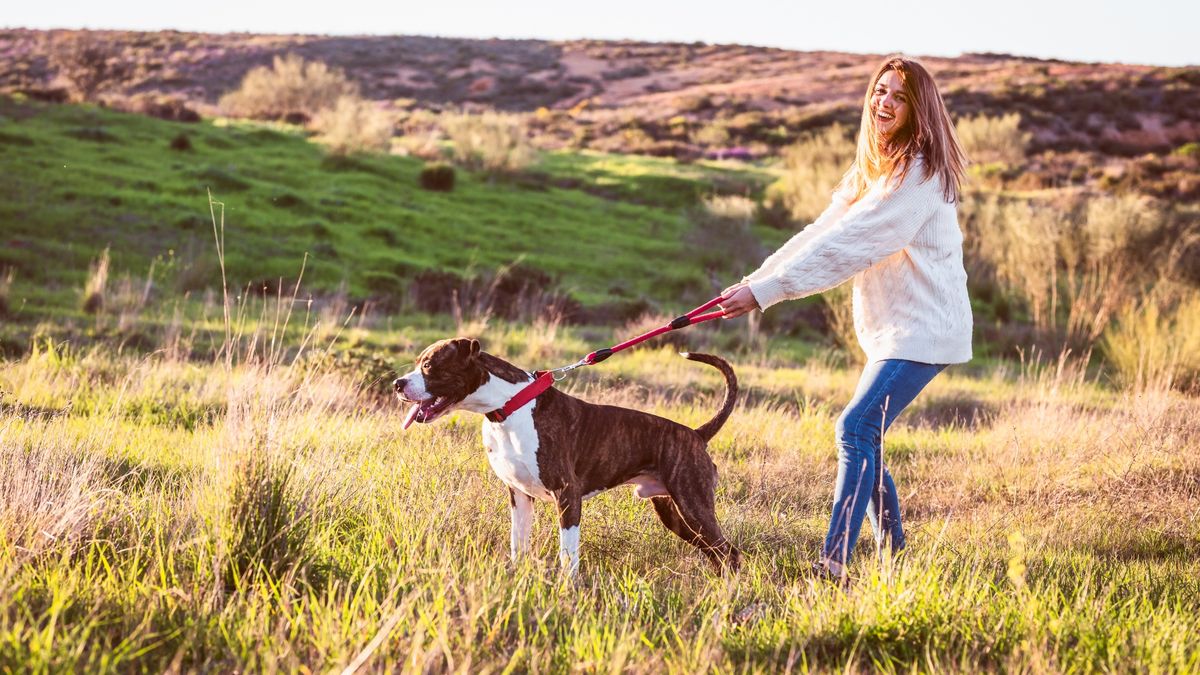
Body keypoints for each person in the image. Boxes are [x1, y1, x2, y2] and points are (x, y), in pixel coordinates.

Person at [719, 55, 972, 580]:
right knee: (867, 436)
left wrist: (767, 294)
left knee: (854, 429)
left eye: (900, 97)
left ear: (919, 110)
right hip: (894, 331)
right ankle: (895, 558)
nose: (885, 103)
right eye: (881, 91)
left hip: (926, 331)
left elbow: (854, 246)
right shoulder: (874, 171)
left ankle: (834, 561)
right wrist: (756, 282)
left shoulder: (919, 176)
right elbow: (822, 232)